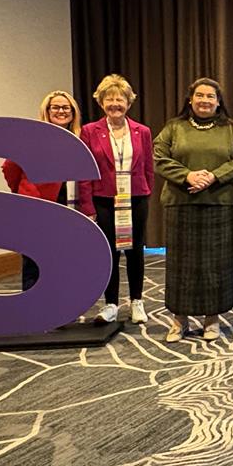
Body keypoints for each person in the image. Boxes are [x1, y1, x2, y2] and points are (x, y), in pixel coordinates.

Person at [153, 77, 233, 342]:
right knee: (180, 266)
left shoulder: (230, 128)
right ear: (190, 99)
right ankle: (178, 320)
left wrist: (213, 177)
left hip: (218, 204)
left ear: (218, 102)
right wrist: (188, 176)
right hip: (180, 203)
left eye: (211, 96)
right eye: (200, 95)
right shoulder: (174, 127)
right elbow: (159, 157)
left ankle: (212, 319)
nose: (205, 100)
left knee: (215, 266)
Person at [78, 74, 154, 325]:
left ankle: (136, 301)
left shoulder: (142, 131)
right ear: (101, 103)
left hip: (136, 197)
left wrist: (146, 193)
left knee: (135, 250)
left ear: (128, 103)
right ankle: (110, 303)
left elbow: (148, 169)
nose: (115, 104)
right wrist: (87, 205)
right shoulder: (90, 131)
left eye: (120, 99)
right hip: (103, 198)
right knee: (109, 251)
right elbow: (85, 171)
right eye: (109, 99)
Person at [1, 90, 83, 292]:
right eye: (55, 107)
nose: (61, 111)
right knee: (34, 259)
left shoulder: (78, 139)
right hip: (36, 206)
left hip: (69, 205)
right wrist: (21, 191)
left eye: (66, 107)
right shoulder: (33, 137)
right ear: (46, 111)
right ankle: (33, 308)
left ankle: (58, 307)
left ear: (73, 113)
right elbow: (9, 166)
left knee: (61, 258)